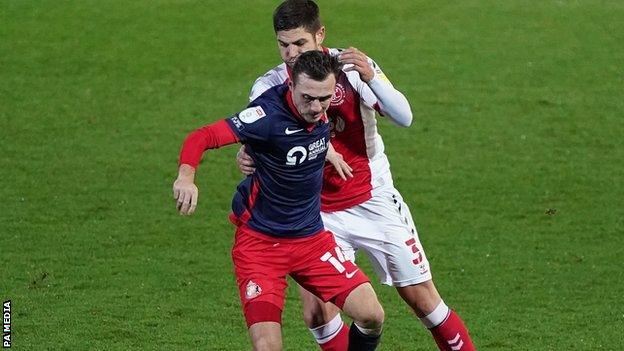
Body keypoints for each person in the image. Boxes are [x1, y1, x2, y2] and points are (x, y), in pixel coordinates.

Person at [237, 1, 476, 350]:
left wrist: (373, 77)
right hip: (314, 213)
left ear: (320, 35)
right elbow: (255, 140)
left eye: (300, 44)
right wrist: (246, 155)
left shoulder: (351, 69)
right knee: (317, 313)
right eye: (283, 44)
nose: (290, 54)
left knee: (423, 299)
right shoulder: (269, 85)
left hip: (371, 198)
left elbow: (404, 117)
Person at [173, 51, 384, 351]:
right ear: (291, 85)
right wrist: (186, 177)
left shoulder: (321, 104)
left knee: (372, 315)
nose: (316, 107)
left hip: (312, 241)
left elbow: (308, 136)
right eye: (308, 98)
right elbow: (202, 136)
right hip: (260, 247)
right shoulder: (265, 116)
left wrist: (329, 151)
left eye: (324, 99)